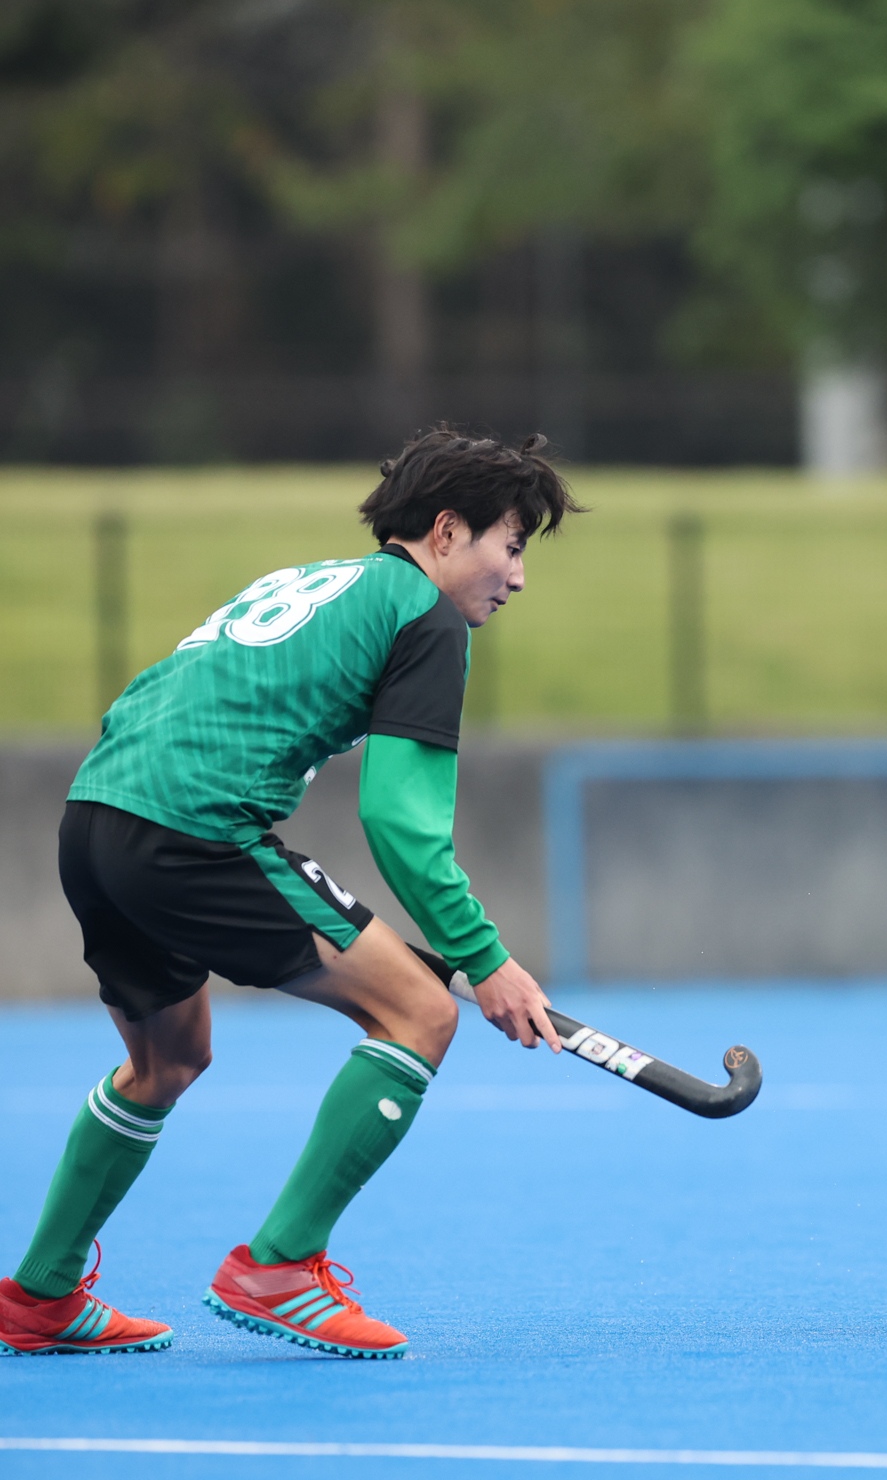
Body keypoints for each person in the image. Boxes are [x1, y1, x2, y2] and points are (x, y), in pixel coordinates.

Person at [0, 428, 579, 1359]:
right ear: (444, 532)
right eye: (510, 547)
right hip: (194, 832)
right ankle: (280, 1266)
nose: (516, 577)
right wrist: (486, 962)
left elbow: (157, 693)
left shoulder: (308, 581)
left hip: (96, 816)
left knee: (166, 1061)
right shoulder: (425, 618)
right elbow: (401, 823)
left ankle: (39, 1295)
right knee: (422, 1013)